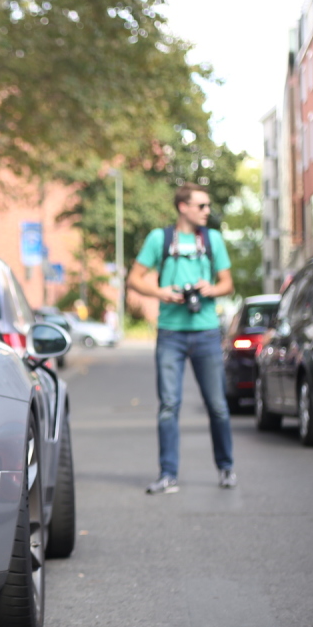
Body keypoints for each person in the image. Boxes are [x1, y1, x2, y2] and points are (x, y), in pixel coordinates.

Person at [127, 182, 236, 494]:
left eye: (207, 206)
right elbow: (133, 279)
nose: (207, 211)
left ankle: (226, 468)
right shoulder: (159, 239)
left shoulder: (212, 239)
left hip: (205, 332)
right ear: (183, 207)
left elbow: (227, 283)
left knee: (217, 404)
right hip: (171, 333)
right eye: (201, 206)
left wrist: (209, 289)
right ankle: (168, 474)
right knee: (168, 405)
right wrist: (161, 292)